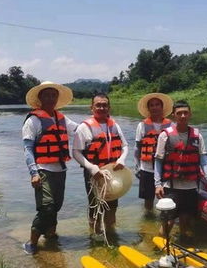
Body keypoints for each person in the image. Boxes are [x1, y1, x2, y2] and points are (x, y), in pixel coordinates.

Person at [22, 81, 77, 255]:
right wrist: (33, 173)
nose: (50, 98)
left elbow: (79, 131)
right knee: (47, 207)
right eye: (47, 95)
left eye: (53, 95)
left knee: (57, 206)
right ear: (40, 98)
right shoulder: (33, 121)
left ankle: (51, 236)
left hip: (60, 170)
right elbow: (28, 149)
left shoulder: (61, 118)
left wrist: (98, 123)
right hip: (42, 169)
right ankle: (31, 243)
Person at [154, 100, 207, 238]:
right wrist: (158, 184)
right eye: (179, 113)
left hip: (191, 187)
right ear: (173, 115)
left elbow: (204, 162)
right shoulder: (164, 136)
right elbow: (158, 162)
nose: (182, 116)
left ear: (190, 114)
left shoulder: (198, 136)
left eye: (185, 113)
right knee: (168, 222)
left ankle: (184, 246)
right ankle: (159, 249)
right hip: (171, 186)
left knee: (185, 220)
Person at [72, 93, 128, 238]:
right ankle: (95, 235)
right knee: (95, 205)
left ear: (109, 107)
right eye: (98, 105)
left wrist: (121, 159)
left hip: (112, 171)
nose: (101, 108)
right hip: (94, 173)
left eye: (105, 105)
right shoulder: (84, 128)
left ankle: (111, 233)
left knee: (112, 204)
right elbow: (76, 152)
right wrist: (91, 168)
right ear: (92, 107)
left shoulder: (114, 125)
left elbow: (125, 146)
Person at [134, 93, 173, 216]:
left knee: (166, 199)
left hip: (165, 168)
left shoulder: (171, 125)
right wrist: (137, 166)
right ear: (148, 108)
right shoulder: (142, 125)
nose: (154, 107)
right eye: (151, 105)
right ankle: (148, 219)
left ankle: (164, 220)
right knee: (148, 199)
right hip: (147, 168)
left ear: (162, 107)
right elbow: (137, 148)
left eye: (157, 105)